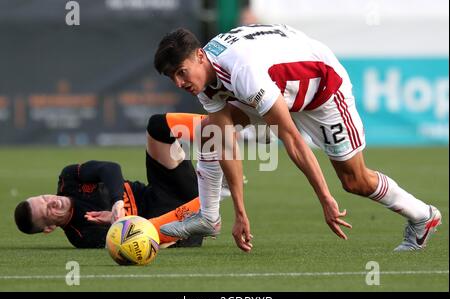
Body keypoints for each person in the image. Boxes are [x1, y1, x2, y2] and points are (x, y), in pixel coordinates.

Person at [153, 24, 442, 252]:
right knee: (210, 131)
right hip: (279, 85)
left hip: (322, 89)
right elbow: (225, 143)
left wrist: (325, 198)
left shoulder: (243, 71)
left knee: (355, 181)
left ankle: (422, 216)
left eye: (181, 72)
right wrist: (240, 213)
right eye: (172, 78)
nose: (179, 83)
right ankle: (208, 217)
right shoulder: (203, 80)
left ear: (200, 56)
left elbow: (291, 139)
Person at [14, 113, 229, 249]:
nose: (52, 201)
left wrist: (117, 202)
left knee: (157, 126)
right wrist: (117, 223)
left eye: (44, 198)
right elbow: (134, 244)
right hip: (167, 222)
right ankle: (208, 208)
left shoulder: (68, 179)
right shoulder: (81, 235)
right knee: (151, 233)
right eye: (47, 211)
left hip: (161, 188)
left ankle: (221, 126)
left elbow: (110, 168)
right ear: (49, 228)